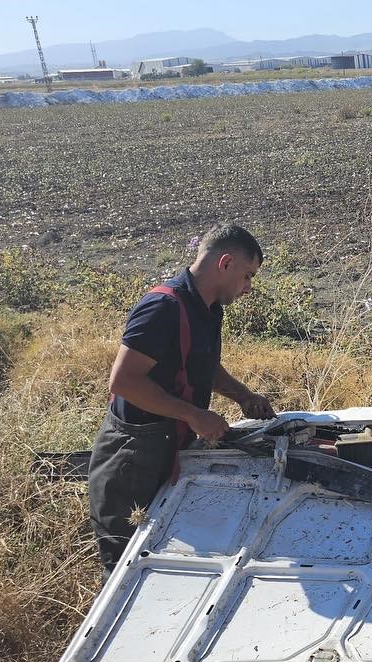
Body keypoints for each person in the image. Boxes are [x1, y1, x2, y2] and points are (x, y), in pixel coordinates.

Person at [87, 223, 276, 571]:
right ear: (225, 263)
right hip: (132, 461)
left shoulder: (207, 308)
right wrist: (194, 415)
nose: (248, 288)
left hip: (168, 449)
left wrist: (244, 397)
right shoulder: (163, 308)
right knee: (127, 569)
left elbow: (203, 366)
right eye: (248, 276)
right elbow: (125, 381)